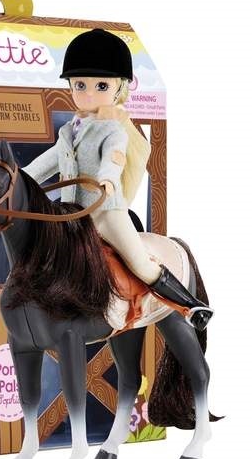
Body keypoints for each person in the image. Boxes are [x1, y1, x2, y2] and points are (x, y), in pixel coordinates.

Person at [22, 29, 213, 330]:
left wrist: (108, 179)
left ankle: (191, 307)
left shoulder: (112, 129)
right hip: (71, 215)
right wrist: (17, 177)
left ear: (119, 87)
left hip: (105, 212)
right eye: (80, 85)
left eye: (100, 86)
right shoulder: (68, 132)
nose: (88, 93)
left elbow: (115, 157)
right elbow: (43, 164)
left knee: (141, 263)